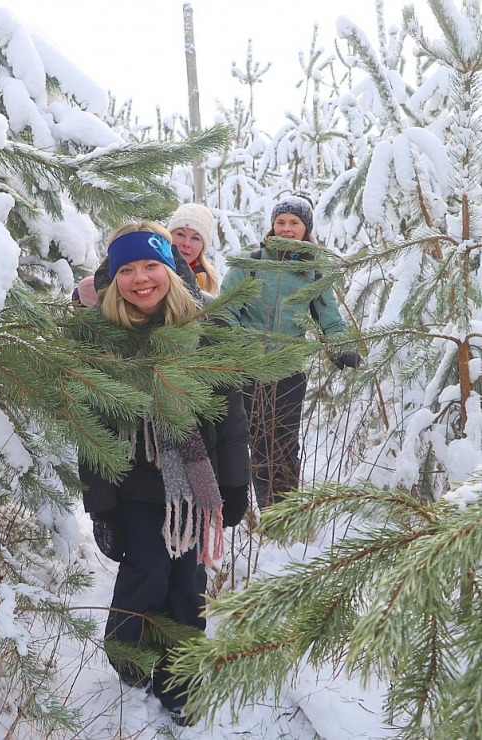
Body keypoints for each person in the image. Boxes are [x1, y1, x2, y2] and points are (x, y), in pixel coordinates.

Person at [78, 221, 250, 723]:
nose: (141, 278)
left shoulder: (208, 328)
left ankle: (180, 679)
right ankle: (128, 653)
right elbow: (90, 432)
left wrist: (235, 486)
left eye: (151, 264)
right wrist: (101, 507)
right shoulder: (103, 341)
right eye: (127, 269)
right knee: (146, 570)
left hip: (196, 487)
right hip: (131, 484)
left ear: (172, 270)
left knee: (188, 581)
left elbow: (232, 418)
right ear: (114, 279)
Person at [220, 195, 361, 510]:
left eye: (293, 223)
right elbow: (224, 312)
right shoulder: (251, 263)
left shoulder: (314, 271)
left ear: (305, 229)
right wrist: (238, 346)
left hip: (289, 369)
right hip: (248, 367)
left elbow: (330, 319)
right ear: (272, 225)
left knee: (285, 443)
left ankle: (285, 514)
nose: (286, 229)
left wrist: (341, 351)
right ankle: (264, 514)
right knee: (257, 442)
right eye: (280, 222)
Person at [168, 203, 218, 294]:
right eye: (180, 234)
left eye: (195, 238)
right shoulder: (152, 268)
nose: (186, 244)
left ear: (203, 246)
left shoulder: (205, 279)